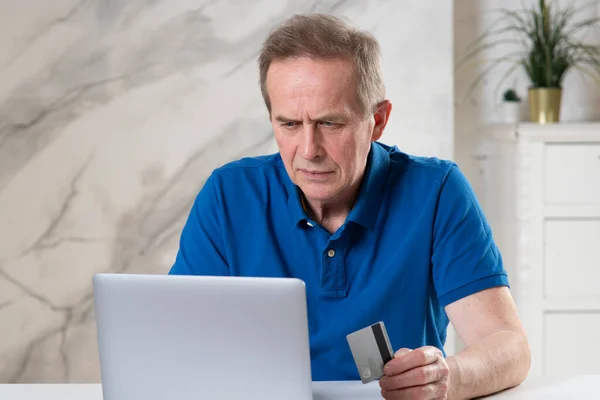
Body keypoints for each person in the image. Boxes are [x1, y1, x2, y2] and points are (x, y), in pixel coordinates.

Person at [169, 13, 530, 400]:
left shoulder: (436, 191)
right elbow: (177, 342)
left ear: (377, 120)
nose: (308, 151)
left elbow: (508, 347)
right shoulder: (229, 194)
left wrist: (449, 377)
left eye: (330, 124)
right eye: (289, 124)